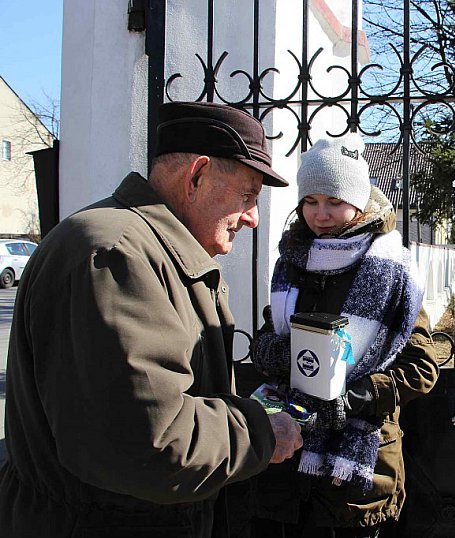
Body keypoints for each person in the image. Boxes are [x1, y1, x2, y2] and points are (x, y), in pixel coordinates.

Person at [0, 101, 304, 538]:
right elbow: (154, 441)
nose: (253, 217)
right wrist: (262, 432)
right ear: (197, 176)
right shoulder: (117, 255)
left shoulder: (150, 250)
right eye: (248, 195)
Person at [243, 133, 439, 538]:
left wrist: (353, 397)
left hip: (355, 477)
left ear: (359, 200)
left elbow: (422, 368)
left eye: (334, 201)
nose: (321, 215)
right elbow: (265, 340)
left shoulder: (392, 271)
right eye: (310, 201)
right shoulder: (291, 262)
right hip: (285, 462)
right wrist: (284, 355)